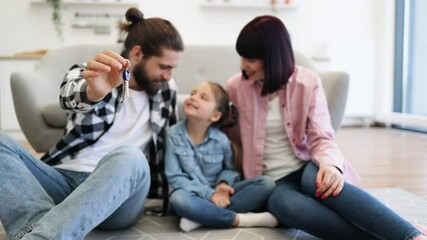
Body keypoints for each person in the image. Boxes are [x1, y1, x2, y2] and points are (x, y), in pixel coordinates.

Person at [225, 15, 427, 240]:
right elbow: (227, 140)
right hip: (273, 182)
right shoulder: (236, 87)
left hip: (307, 165)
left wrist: (331, 166)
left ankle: (411, 236)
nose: (243, 66)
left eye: (250, 60)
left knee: (324, 183)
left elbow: (322, 136)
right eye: (242, 58)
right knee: (286, 206)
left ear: (272, 58)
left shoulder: (307, 81)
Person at [0, 7, 183, 240]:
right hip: (65, 181)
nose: (169, 75)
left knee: (131, 156)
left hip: (120, 195)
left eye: (173, 68)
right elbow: (68, 98)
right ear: (137, 54)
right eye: (164, 66)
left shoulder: (167, 88)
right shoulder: (89, 73)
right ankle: (36, 230)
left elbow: (174, 142)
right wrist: (93, 93)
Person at [164, 81, 278, 232]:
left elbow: (231, 169)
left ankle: (201, 217)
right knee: (177, 199)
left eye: (203, 97)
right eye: (193, 93)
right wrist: (210, 194)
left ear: (215, 115)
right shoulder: (172, 134)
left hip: (220, 194)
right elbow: (175, 177)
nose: (193, 97)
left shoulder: (221, 140)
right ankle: (237, 219)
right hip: (192, 192)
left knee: (266, 183)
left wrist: (223, 184)